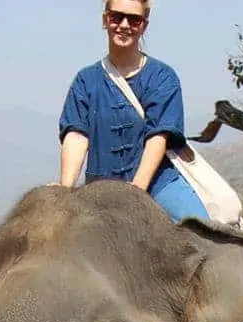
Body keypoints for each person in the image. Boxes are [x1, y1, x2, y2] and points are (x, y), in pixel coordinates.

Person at [57, 0, 211, 223]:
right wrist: (66, 188)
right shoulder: (86, 80)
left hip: (158, 184)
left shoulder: (162, 77)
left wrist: (137, 189)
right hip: (100, 189)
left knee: (202, 230)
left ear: (144, 26)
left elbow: (158, 136)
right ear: (105, 20)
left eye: (134, 19)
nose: (125, 25)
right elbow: (76, 135)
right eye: (117, 17)